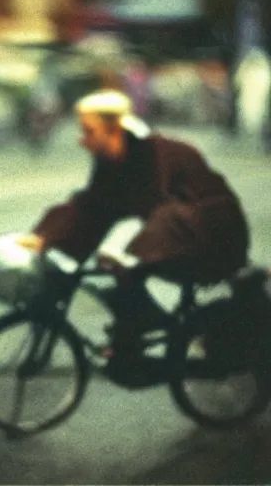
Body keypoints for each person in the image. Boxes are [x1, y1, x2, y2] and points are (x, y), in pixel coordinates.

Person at [17, 89, 250, 355]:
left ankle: (143, 329)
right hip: (178, 232)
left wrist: (121, 251)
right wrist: (46, 237)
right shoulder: (110, 159)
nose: (83, 141)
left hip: (210, 235)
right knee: (115, 266)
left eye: (89, 131)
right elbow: (93, 205)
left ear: (114, 128)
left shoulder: (155, 155)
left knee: (124, 260)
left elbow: (157, 209)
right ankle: (134, 331)